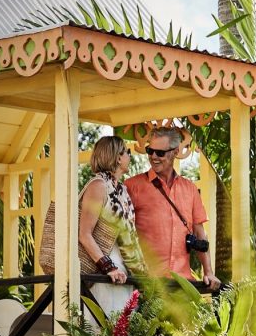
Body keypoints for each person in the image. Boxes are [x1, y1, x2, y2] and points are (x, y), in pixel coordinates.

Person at [124, 127, 221, 291]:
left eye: (160, 153)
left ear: (175, 152)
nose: (154, 156)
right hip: (146, 286)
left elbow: (199, 234)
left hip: (182, 285)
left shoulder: (189, 189)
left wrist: (209, 272)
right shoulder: (132, 187)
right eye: (150, 151)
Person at [79, 136, 148, 317]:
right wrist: (108, 267)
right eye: (127, 152)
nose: (129, 156)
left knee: (125, 331)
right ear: (118, 157)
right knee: (106, 329)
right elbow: (84, 234)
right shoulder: (98, 186)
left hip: (124, 270)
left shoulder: (121, 190)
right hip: (105, 272)